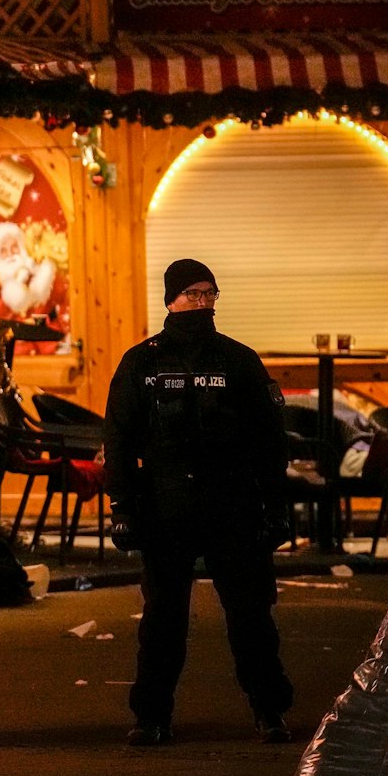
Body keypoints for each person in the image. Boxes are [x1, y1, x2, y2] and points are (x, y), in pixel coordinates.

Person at [103, 258, 295, 747]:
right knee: (163, 620)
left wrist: (276, 506)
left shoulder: (238, 361)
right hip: (166, 504)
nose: (202, 304)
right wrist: (123, 506)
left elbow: (269, 441)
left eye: (210, 294)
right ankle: (151, 717)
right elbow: (120, 439)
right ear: (170, 299)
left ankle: (269, 710)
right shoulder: (141, 363)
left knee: (251, 615)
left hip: (232, 502)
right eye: (192, 294)